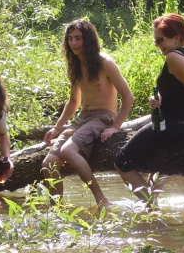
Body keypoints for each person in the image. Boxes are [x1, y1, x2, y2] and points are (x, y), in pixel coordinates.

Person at [115, 13, 184, 209]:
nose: (157, 45)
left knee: (122, 161)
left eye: (160, 40)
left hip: (171, 126)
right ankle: (153, 207)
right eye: (155, 40)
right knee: (158, 163)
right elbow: (182, 91)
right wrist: (159, 100)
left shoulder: (173, 57)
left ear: (176, 38)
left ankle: (152, 207)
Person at [42, 19, 134, 209]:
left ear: (88, 39)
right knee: (48, 163)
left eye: (78, 38)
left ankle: (102, 200)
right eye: (70, 39)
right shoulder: (75, 65)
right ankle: (57, 211)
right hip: (82, 119)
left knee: (68, 150)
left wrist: (115, 126)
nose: (74, 43)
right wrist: (57, 127)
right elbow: (74, 102)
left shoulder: (104, 62)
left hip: (103, 117)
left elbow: (128, 97)